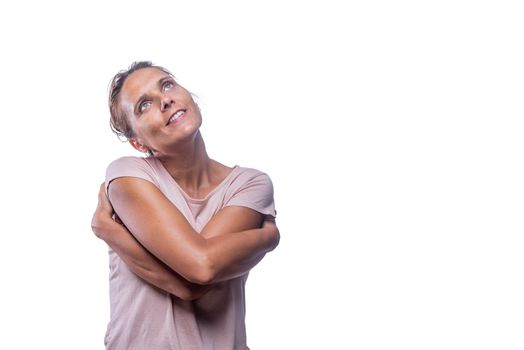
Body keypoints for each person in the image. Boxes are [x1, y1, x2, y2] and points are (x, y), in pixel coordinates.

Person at [90, 61, 279, 350]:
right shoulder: (128, 175)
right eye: (144, 105)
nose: (165, 100)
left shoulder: (250, 184)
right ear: (138, 143)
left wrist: (110, 231)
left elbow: (199, 272)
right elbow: (201, 268)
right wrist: (266, 238)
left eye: (167, 85)